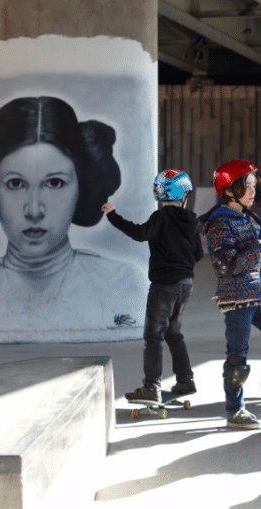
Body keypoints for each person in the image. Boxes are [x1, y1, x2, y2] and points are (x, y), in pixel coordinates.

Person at [0, 96, 147, 342]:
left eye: (55, 183)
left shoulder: (122, 283)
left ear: (81, 188)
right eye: (15, 184)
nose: (34, 210)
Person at [199, 159, 261, 430]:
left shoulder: (246, 218)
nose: (254, 191)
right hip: (238, 300)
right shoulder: (219, 224)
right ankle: (235, 411)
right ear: (229, 190)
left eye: (255, 186)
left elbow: (260, 263)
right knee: (238, 360)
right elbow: (229, 266)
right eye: (248, 186)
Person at [101, 169, 202, 403]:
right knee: (174, 333)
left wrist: (114, 216)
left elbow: (140, 233)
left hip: (164, 285)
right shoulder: (192, 221)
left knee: (153, 336)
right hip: (186, 285)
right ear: (183, 195)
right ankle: (185, 381)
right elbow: (197, 254)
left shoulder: (161, 218)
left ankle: (151, 387)